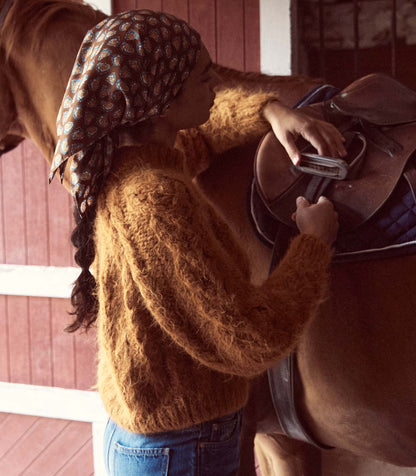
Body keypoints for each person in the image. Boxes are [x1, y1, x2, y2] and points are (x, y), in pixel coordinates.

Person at [49, 10, 342, 476]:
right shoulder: (154, 198)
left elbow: (202, 133)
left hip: (157, 439)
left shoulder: (127, 161)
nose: (216, 86)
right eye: (203, 77)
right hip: (183, 451)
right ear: (161, 99)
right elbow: (251, 338)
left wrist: (269, 110)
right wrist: (313, 242)